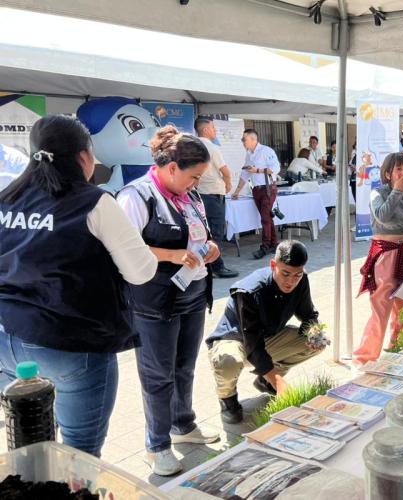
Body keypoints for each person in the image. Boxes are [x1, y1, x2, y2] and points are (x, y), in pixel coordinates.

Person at [0, 116, 157, 457]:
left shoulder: (7, 198)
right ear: (84, 157)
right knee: (79, 455)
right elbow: (141, 272)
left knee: (30, 443)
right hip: (70, 343)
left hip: (6, 338)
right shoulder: (94, 201)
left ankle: (34, 482)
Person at [117, 125, 221, 476]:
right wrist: (170, 255)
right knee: (157, 375)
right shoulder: (137, 196)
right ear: (172, 167)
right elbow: (122, 249)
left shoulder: (190, 195)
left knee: (184, 366)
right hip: (154, 302)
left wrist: (210, 247)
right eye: (194, 177)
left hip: (193, 293)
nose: (196, 184)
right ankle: (157, 444)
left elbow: (201, 234)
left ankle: (183, 424)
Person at [206, 241, 325, 423]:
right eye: (285, 273)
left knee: (315, 343)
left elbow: (308, 314)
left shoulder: (301, 280)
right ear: (273, 265)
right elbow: (252, 344)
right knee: (228, 361)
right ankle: (227, 398)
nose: (291, 281)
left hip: (267, 337)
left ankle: (266, 380)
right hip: (235, 340)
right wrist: (279, 382)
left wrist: (315, 332)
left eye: (297, 275)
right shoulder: (249, 291)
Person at [353, 153, 403, 364]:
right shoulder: (378, 194)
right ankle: (365, 358)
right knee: (380, 309)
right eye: (398, 169)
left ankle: (399, 353)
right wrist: (397, 191)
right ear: (387, 174)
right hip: (386, 255)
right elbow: (382, 216)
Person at [194, 118, 238, 279]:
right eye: (213, 127)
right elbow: (225, 171)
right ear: (205, 130)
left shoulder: (192, 146)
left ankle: (207, 266)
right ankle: (216, 267)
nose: (215, 130)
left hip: (198, 194)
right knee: (216, 233)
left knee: (204, 233)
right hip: (213, 194)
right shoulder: (212, 147)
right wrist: (228, 183)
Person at [232, 129, 280, 259]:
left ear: (253, 139)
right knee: (267, 217)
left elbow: (275, 169)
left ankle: (265, 246)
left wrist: (257, 170)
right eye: (242, 139)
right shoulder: (249, 154)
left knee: (265, 218)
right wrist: (236, 192)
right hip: (257, 190)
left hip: (268, 188)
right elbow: (245, 174)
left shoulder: (266, 151)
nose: (243, 142)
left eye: (244, 139)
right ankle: (274, 244)